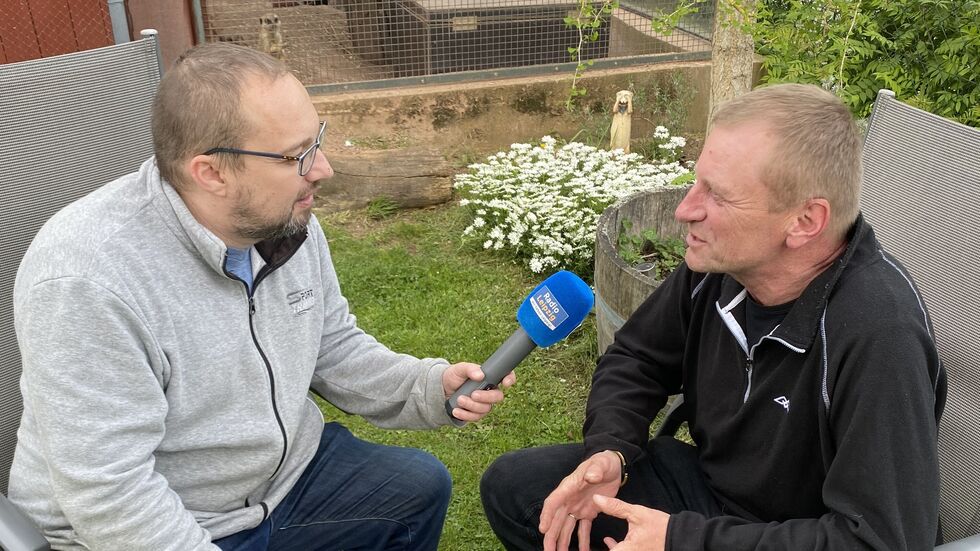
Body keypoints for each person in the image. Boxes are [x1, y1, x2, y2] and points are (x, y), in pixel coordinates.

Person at [9, 42, 514, 550]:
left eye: (316, 140)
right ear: (211, 172)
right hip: (170, 520)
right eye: (296, 156)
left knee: (416, 488)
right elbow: (112, 494)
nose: (323, 169)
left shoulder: (283, 223)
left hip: (281, 482)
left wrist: (427, 386)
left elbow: (332, 346)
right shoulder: (85, 281)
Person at [480, 83, 947, 550]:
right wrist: (611, 448)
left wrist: (681, 541)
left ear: (805, 222)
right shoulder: (722, 268)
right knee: (518, 490)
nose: (685, 210)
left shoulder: (881, 335)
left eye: (718, 196)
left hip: (801, 533)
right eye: (697, 180)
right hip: (708, 493)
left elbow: (883, 541)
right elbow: (637, 358)